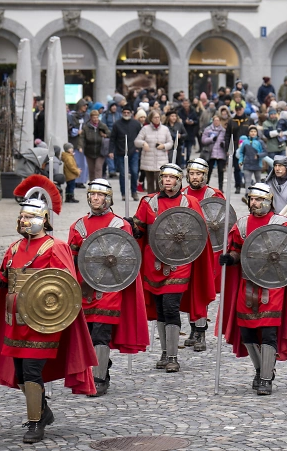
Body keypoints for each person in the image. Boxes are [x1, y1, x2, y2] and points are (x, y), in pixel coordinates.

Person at [0, 195, 97, 444]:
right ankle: (44, 411)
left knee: (32, 370)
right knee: (20, 373)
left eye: (29, 217)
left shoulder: (54, 247)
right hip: (15, 322)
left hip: (42, 323)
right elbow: (5, 278)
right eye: (22, 216)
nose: (23, 221)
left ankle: (35, 422)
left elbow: (66, 286)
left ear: (43, 219)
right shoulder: (14, 248)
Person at [218, 183, 287, 395]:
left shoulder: (282, 224)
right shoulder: (241, 225)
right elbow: (236, 251)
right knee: (247, 332)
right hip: (247, 285)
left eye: (259, 199)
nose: (254, 203)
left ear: (268, 201)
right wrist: (229, 259)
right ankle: (261, 369)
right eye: (252, 199)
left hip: (272, 286)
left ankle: (266, 378)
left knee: (269, 331)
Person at [130, 164, 216, 372]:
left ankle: (172, 357)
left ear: (179, 180)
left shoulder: (190, 202)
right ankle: (164, 352)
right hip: (154, 262)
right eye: (164, 177)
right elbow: (139, 229)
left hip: (180, 262)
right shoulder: (148, 202)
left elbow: (199, 234)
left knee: (170, 305)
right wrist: (131, 227)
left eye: (171, 177)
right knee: (159, 307)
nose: (167, 180)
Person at [67, 179, 148, 396]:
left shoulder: (121, 226)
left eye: (100, 195)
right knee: (88, 334)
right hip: (85, 289)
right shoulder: (78, 226)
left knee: (101, 333)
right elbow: (71, 259)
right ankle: (100, 366)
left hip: (110, 288)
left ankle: (99, 379)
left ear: (108, 198)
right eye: (92, 194)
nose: (95, 198)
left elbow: (128, 259)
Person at [180, 158, 225, 350]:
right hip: (185, 249)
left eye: (198, 174)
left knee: (201, 289)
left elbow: (223, 221)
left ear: (204, 175)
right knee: (187, 290)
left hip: (208, 249)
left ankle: (201, 332)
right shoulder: (181, 194)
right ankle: (192, 329)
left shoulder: (214, 194)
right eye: (192, 173)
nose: (195, 177)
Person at [109, 104, 142, 201]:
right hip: (120, 152)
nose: (126, 114)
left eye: (128, 112)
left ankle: (134, 192)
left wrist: (138, 149)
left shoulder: (136, 124)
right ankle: (124, 193)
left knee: (135, 172)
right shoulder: (117, 124)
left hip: (133, 151)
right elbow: (112, 139)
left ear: (131, 113)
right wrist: (111, 151)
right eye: (124, 112)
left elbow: (140, 137)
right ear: (122, 113)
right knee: (123, 174)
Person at [135, 110, 173, 194]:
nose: (157, 119)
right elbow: (137, 141)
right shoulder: (145, 129)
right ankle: (150, 202)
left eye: (158, 117)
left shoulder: (165, 129)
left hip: (161, 161)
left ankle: (160, 201)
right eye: (155, 117)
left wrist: (163, 146)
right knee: (150, 184)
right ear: (151, 118)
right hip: (148, 161)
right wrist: (143, 143)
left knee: (160, 183)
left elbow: (170, 143)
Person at [83, 109, 111, 181]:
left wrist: (104, 135)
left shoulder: (102, 125)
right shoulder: (86, 127)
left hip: (100, 151)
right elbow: (82, 138)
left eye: (97, 117)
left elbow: (109, 134)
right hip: (89, 151)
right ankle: (92, 185)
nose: (96, 119)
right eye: (94, 117)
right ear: (91, 118)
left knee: (98, 168)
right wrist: (80, 146)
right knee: (91, 170)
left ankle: (98, 184)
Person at [202, 114, 227, 187]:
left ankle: (220, 187)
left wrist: (224, 144)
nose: (216, 122)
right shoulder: (208, 129)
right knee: (208, 171)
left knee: (220, 171)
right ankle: (205, 186)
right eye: (215, 120)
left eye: (218, 120)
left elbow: (227, 141)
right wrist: (211, 139)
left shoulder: (223, 131)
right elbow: (203, 140)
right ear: (213, 121)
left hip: (220, 153)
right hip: (210, 153)